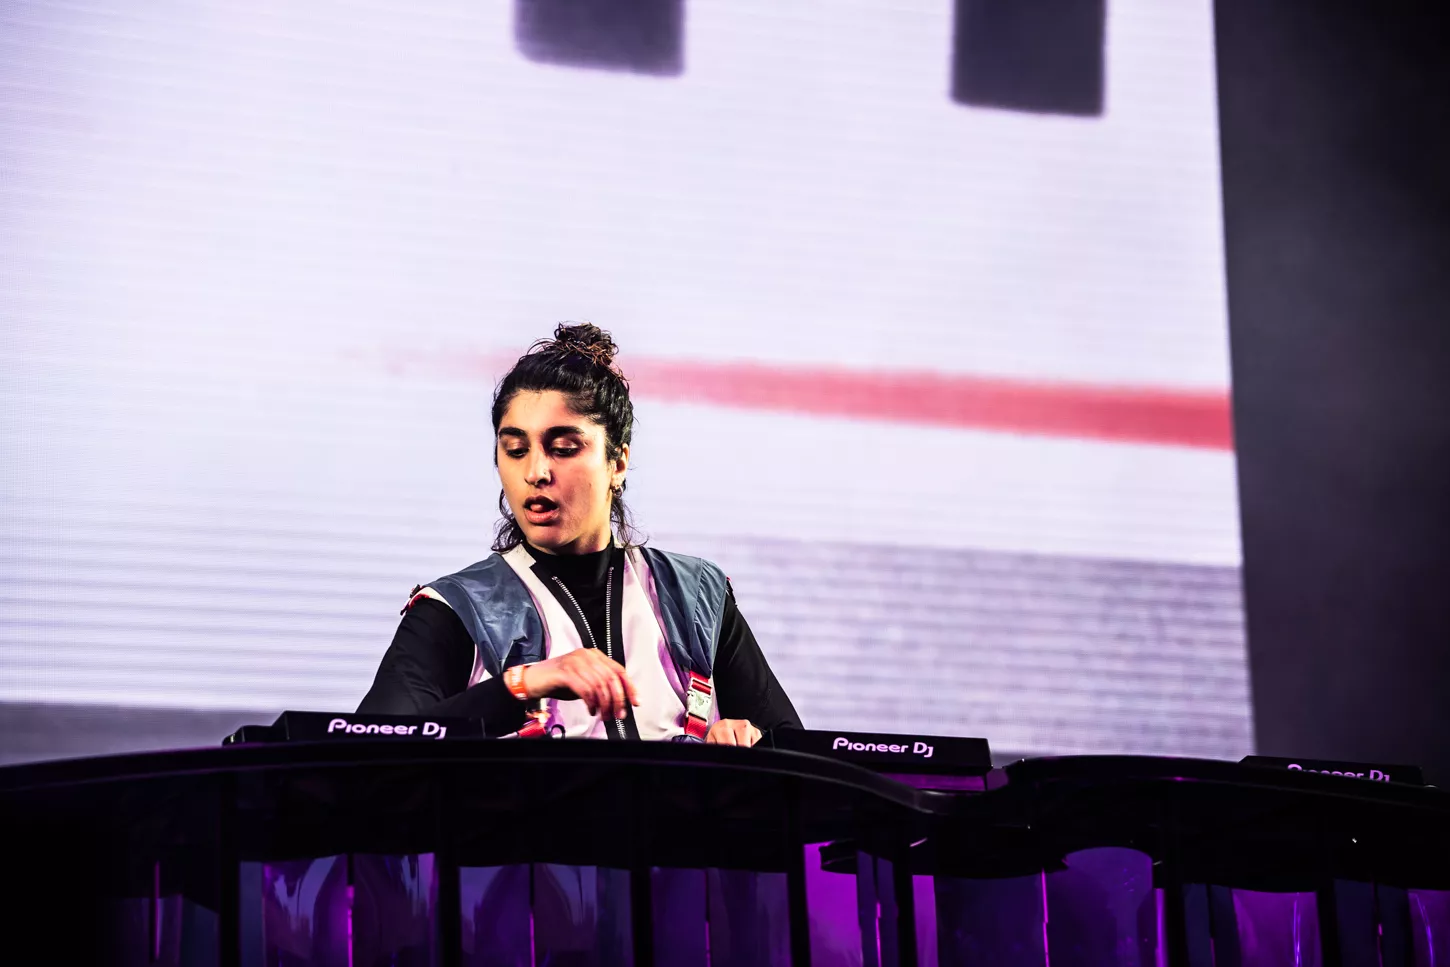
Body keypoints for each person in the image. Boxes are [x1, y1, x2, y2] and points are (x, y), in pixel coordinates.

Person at [358, 323, 801, 745]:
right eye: (515, 450)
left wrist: (748, 741)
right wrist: (522, 684)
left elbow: (800, 756)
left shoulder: (696, 596)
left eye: (563, 449)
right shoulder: (455, 607)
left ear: (618, 463)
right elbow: (370, 750)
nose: (536, 472)